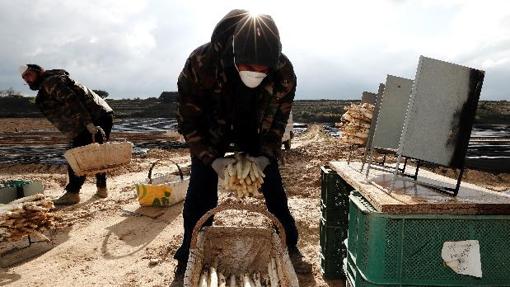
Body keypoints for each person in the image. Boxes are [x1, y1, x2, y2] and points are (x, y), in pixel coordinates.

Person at [174, 9, 311, 275]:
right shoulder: (202, 63)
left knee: (271, 182)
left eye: (263, 68)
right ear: (235, 54)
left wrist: (265, 155)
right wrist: (212, 160)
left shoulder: (283, 72)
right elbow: (189, 120)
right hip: (212, 128)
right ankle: (190, 248)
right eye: (249, 66)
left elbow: (278, 122)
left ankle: (287, 239)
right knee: (201, 186)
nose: (256, 72)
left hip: (254, 129)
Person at [19, 64, 114, 205]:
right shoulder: (52, 81)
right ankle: (102, 188)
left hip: (93, 117)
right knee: (97, 152)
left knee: (77, 155)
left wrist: (88, 124)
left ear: (38, 72)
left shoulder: (51, 82)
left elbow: (73, 101)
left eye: (29, 74)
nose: (27, 79)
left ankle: (73, 193)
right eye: (24, 77)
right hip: (101, 113)